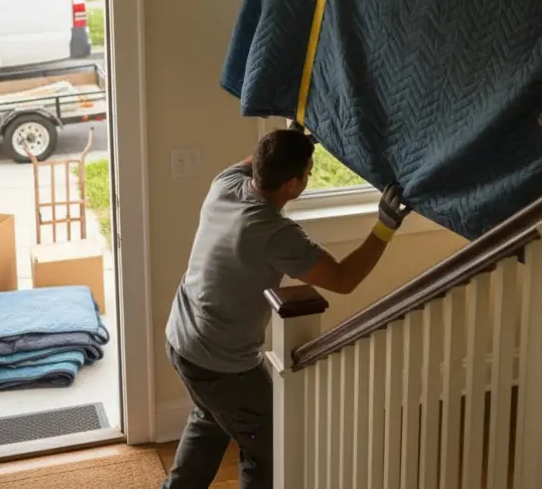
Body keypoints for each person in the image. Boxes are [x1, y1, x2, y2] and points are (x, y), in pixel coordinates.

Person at [161, 127, 412, 488]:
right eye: (308, 172)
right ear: (292, 185)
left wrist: (299, 141)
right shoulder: (274, 233)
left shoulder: (226, 183)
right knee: (269, 451)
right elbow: (344, 279)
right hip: (224, 364)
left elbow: (262, 155)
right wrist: (385, 226)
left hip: (183, 341)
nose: (309, 177)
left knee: (210, 418)